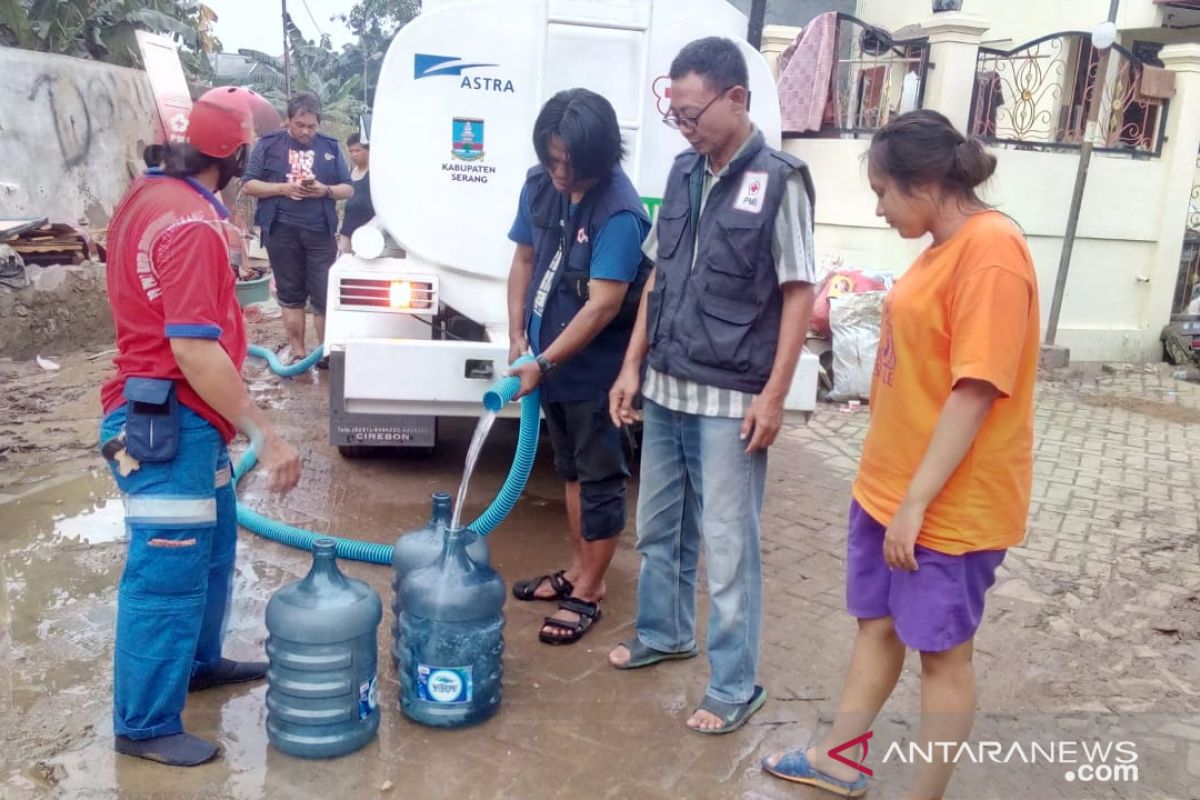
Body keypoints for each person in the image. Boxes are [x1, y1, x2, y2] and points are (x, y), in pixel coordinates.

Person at [762, 110, 1039, 798]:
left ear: (924, 183)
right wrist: (893, 496)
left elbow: (975, 390)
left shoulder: (993, 251)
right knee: (877, 626)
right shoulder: (942, 245)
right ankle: (838, 756)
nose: (879, 208)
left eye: (885, 191)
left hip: (947, 504)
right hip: (890, 488)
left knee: (943, 656)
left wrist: (916, 504)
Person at [608, 37, 816, 733]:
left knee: (728, 546)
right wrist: (632, 364)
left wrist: (775, 394)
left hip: (732, 399)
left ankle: (733, 683)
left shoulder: (782, 180)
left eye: (693, 112)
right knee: (658, 527)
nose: (684, 125)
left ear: (736, 98)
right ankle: (664, 634)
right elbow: (658, 276)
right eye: (676, 114)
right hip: (666, 385)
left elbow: (796, 292)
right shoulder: (681, 172)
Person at [99, 87, 303, 767]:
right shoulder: (188, 224)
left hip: (185, 419)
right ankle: (146, 723)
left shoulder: (151, 197)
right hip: (168, 420)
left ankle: (198, 664)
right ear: (237, 153)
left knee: (211, 554)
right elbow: (193, 347)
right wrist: (264, 433)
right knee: (166, 573)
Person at [505, 88, 651, 645]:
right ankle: (574, 570)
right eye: (552, 157)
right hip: (548, 364)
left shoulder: (619, 211)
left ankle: (590, 591)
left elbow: (604, 304)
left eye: (570, 163)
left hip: (596, 374)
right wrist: (518, 335)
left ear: (600, 155)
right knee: (568, 472)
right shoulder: (539, 184)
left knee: (600, 479)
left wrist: (541, 359)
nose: (559, 171)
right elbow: (522, 259)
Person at [242, 92, 353, 364]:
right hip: (281, 230)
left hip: (320, 232)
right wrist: (282, 188)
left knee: (324, 294)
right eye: (299, 125)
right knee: (291, 295)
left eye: (311, 126)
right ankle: (299, 353)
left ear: (319, 123)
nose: (306, 132)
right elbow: (248, 184)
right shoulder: (269, 145)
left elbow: (347, 188)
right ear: (288, 121)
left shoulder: (329, 147)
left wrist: (324, 191)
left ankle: (326, 354)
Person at [338, 132, 374, 252]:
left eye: (357, 151)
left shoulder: (376, 174)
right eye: (351, 151)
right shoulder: (350, 172)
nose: (353, 155)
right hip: (347, 229)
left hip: (369, 229)